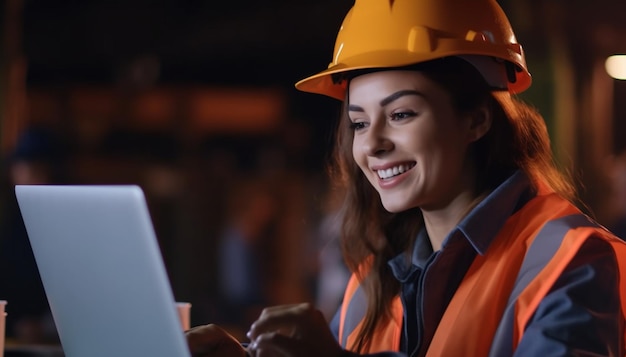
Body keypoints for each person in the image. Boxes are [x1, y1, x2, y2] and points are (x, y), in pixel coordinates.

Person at [186, 0, 626, 356]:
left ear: (476, 120)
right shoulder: (376, 280)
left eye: (400, 114)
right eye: (359, 123)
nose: (373, 144)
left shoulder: (573, 262)